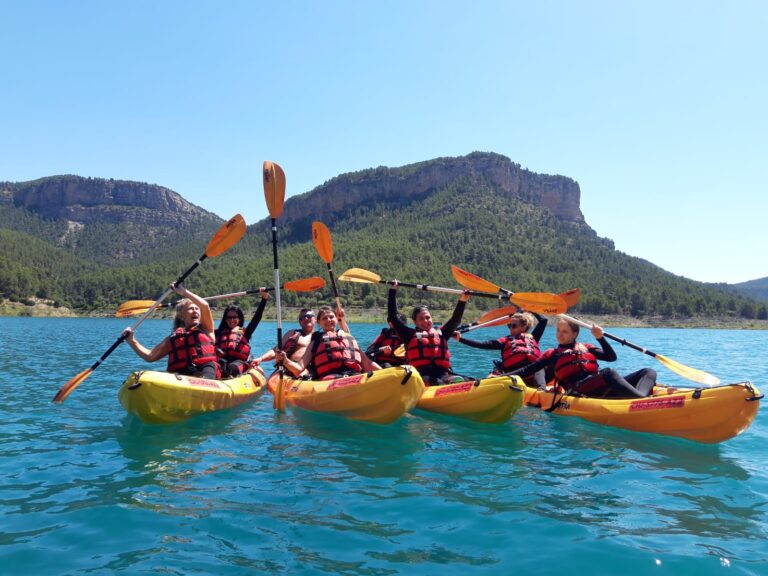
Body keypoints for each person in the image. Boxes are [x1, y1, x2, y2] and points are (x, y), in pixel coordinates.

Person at [508, 317, 656, 398]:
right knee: (609, 373)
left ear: (574, 334)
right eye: (558, 330)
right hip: (578, 390)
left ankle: (641, 399)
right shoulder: (553, 354)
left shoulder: (587, 347)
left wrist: (600, 338)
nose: (560, 334)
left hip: (598, 384)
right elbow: (527, 369)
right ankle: (642, 401)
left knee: (648, 372)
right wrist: (502, 376)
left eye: (565, 331)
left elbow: (611, 357)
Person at [122, 283, 220, 379]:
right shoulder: (174, 338)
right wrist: (132, 341)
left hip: (205, 371)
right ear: (182, 315)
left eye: (197, 309)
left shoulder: (207, 330)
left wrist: (184, 292)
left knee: (209, 367)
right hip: (182, 374)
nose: (195, 311)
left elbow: (205, 306)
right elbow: (150, 356)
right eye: (191, 308)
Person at [388, 280, 470, 385]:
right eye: (421, 319)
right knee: (438, 383)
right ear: (415, 322)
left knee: (469, 381)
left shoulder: (442, 332)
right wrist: (393, 290)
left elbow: (456, 320)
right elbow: (393, 317)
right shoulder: (408, 334)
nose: (426, 321)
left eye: (428, 317)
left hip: (443, 374)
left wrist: (462, 300)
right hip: (420, 376)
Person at [277, 305, 380, 379]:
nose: (328, 320)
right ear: (319, 322)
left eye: (331, 317)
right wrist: (285, 360)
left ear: (336, 318)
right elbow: (299, 368)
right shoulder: (316, 340)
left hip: (355, 375)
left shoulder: (347, 337)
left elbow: (367, 363)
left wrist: (385, 373)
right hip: (330, 379)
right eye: (324, 318)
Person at [453, 311, 547, 387]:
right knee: (498, 368)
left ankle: (542, 392)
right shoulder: (505, 341)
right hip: (515, 375)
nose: (510, 329)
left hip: (533, 374)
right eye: (509, 326)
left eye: (514, 326)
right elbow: (482, 344)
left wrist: (530, 309)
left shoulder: (533, 337)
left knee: (542, 364)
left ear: (524, 327)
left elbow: (543, 320)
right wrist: (460, 339)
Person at [215, 290, 269, 377]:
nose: (232, 320)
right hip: (221, 362)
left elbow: (256, 318)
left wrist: (264, 299)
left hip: (238, 363)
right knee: (212, 367)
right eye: (229, 317)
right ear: (225, 319)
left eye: (234, 317)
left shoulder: (245, 332)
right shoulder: (217, 333)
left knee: (233, 367)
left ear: (239, 319)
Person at [256, 307, 317, 372]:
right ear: (300, 322)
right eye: (302, 318)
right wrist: (261, 358)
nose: (305, 318)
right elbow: (275, 350)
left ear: (315, 319)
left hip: (310, 371)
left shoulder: (321, 337)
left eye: (309, 316)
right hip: (288, 369)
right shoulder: (292, 333)